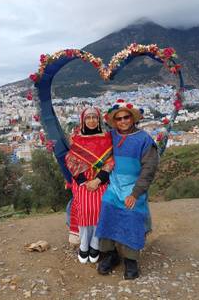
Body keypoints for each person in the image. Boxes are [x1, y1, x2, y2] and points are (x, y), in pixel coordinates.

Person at [95, 99, 159, 279]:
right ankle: (110, 255)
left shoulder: (144, 139)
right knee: (107, 210)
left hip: (134, 186)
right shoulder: (111, 136)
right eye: (119, 119)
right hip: (115, 186)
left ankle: (131, 260)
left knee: (132, 215)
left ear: (132, 119)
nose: (123, 121)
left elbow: (148, 169)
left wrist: (136, 193)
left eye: (126, 117)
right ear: (114, 121)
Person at [65, 107, 114, 263]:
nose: (91, 120)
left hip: (101, 180)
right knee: (85, 209)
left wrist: (98, 180)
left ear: (98, 120)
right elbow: (71, 161)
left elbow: (110, 161)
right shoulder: (76, 139)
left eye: (94, 117)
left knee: (100, 208)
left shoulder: (106, 138)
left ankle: (95, 245)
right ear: (83, 120)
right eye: (88, 118)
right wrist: (84, 182)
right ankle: (84, 245)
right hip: (82, 181)